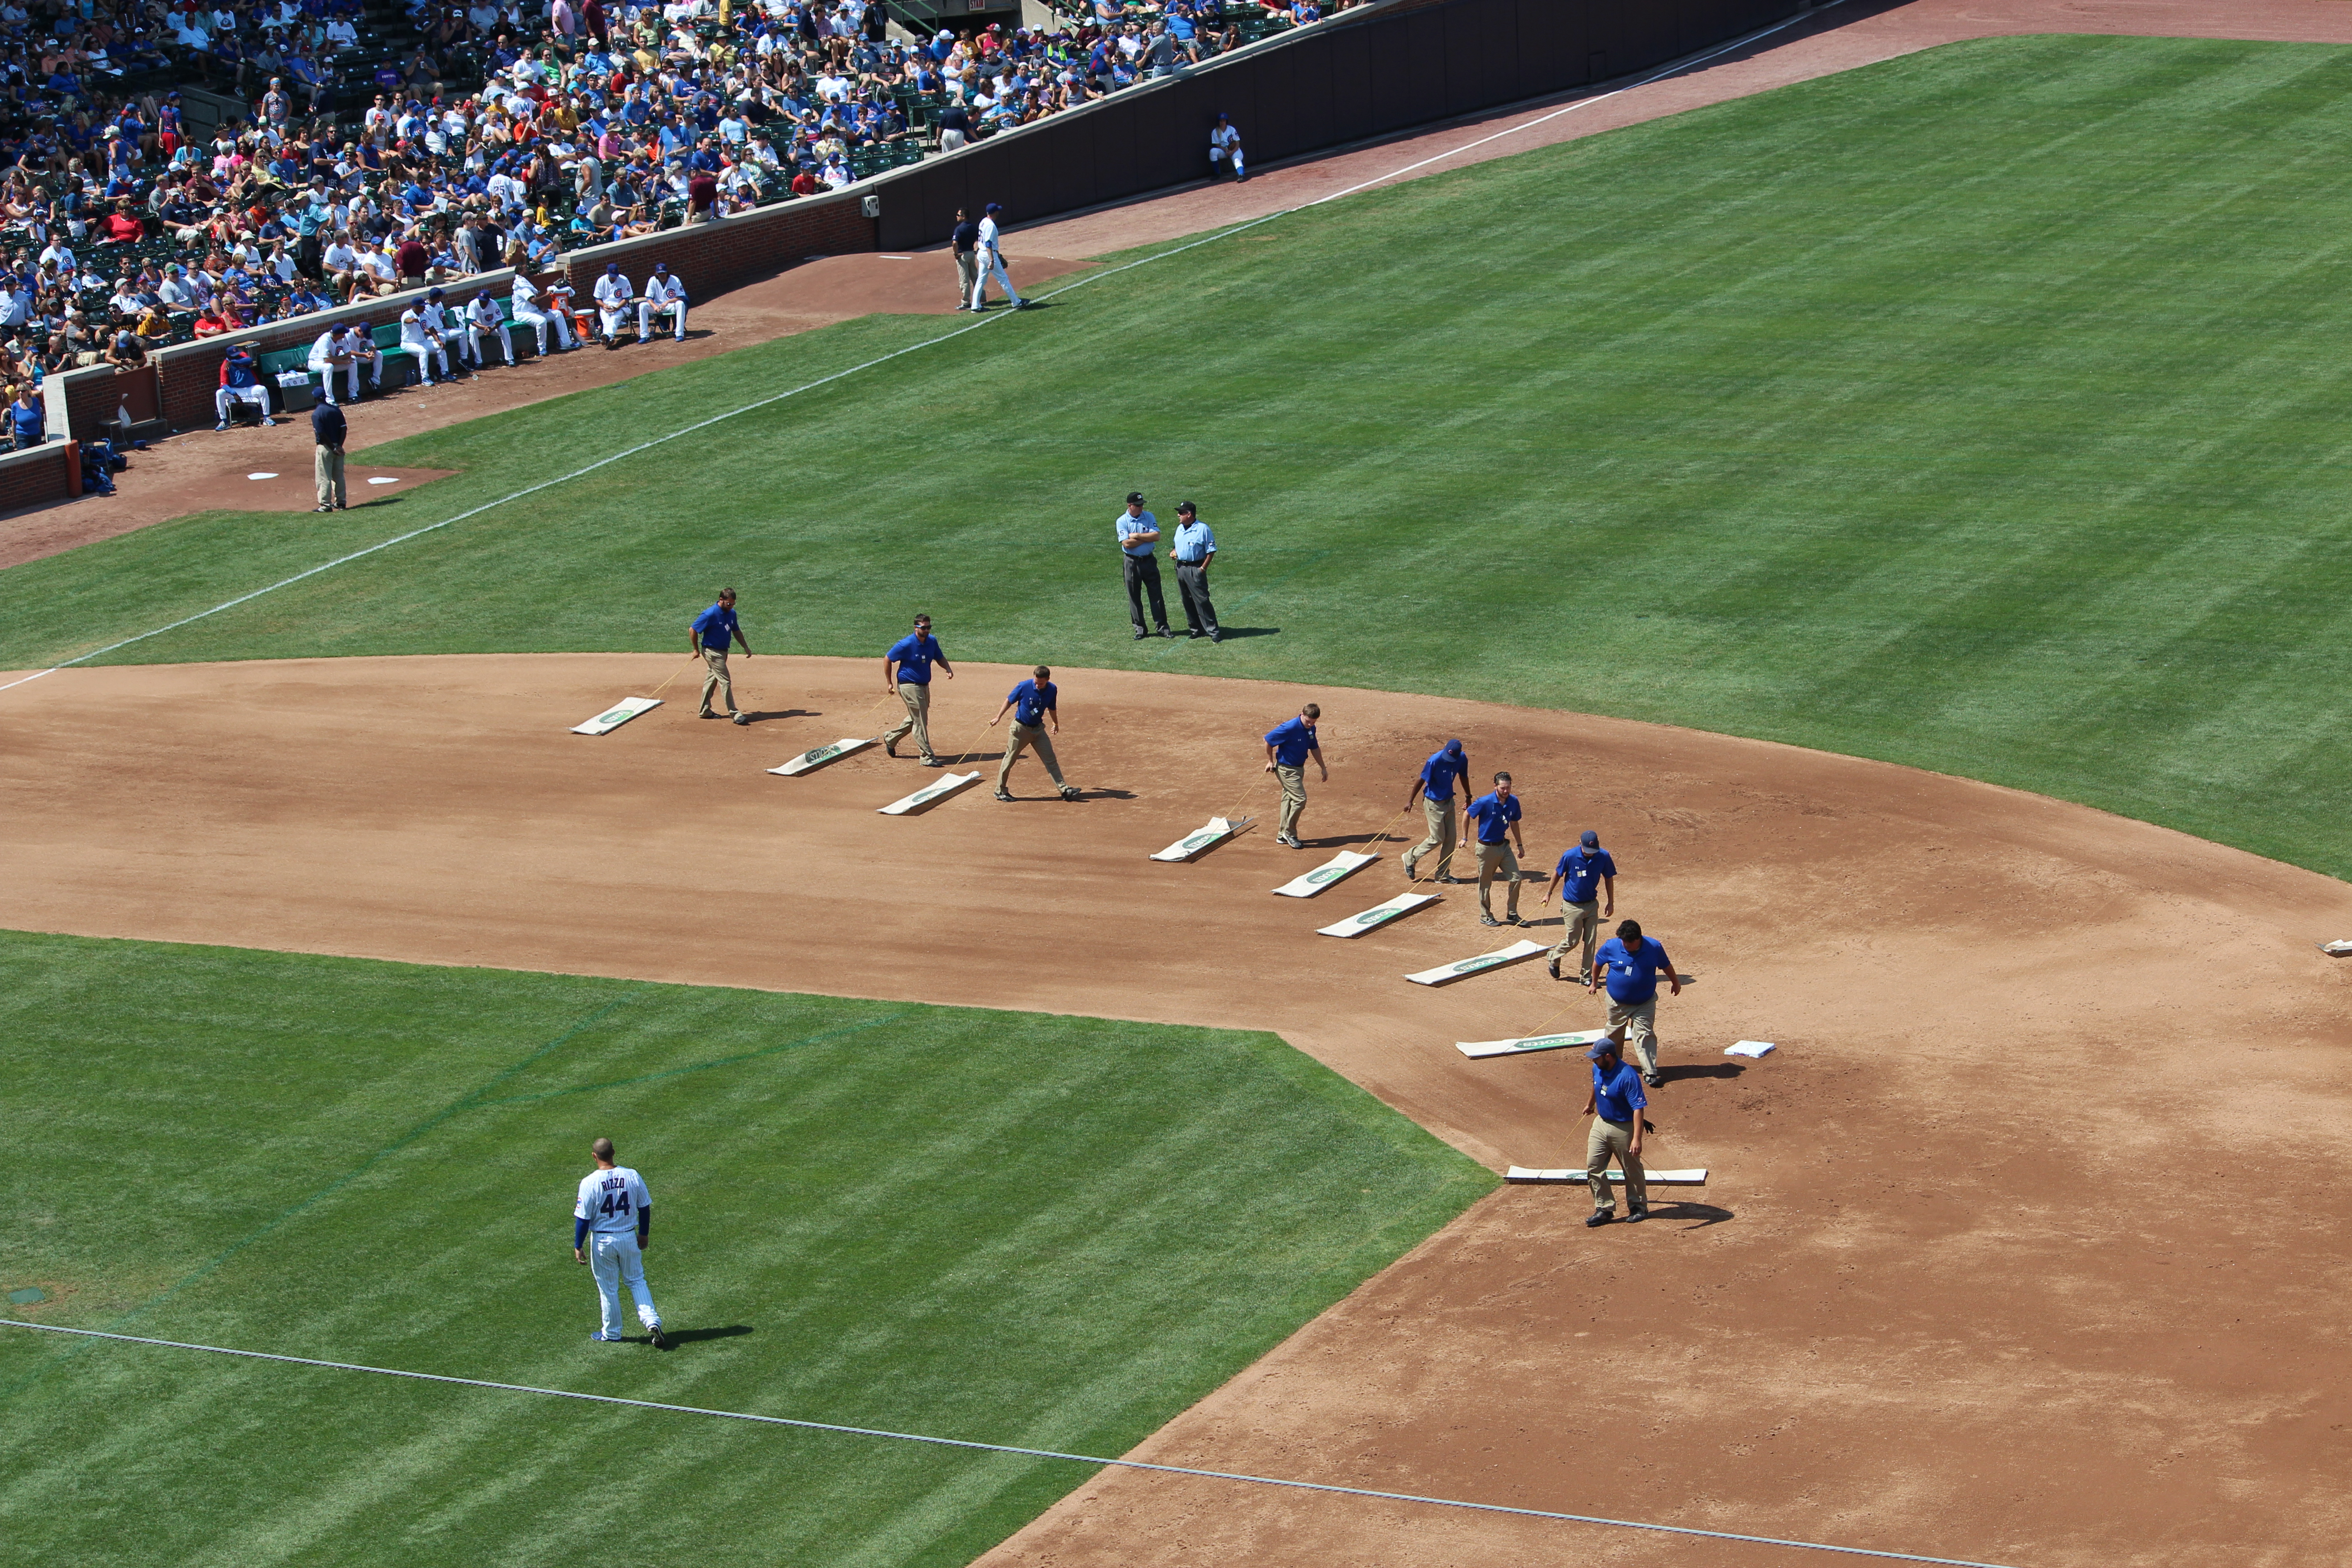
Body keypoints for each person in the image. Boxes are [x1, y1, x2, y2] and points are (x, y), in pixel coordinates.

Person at [572, 1136, 667, 1347]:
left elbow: (583, 1219)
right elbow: (644, 1206)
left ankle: (612, 1332)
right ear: (614, 1152)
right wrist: (643, 1233)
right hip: (628, 1236)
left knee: (608, 1288)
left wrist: (578, 1245)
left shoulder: (589, 1183)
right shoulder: (631, 1175)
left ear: (594, 1156)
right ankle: (651, 1321)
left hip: (603, 1240)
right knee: (636, 1281)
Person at [1588, 918, 1678, 1088]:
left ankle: (1650, 1072)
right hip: (1617, 1002)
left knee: (1644, 1033)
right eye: (1623, 941)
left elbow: (1666, 965)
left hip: (1645, 1002)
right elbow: (1598, 963)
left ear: (1638, 939)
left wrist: (1675, 982)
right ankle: (1611, 1066)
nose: (1625, 945)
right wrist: (1594, 983)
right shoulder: (1611, 946)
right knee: (1614, 1034)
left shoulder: (1654, 947)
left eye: (1629, 942)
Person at [1579, 1036, 1647, 1227]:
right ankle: (1604, 1208)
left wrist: (1636, 1138)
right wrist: (1590, 1104)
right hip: (1601, 1123)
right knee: (1594, 1166)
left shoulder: (1628, 1076)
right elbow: (1596, 1084)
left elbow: (1638, 1108)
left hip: (1624, 1128)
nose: (1593, 1061)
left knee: (1632, 1170)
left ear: (1608, 1057)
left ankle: (1638, 1207)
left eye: (1597, 1057)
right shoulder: (1598, 1067)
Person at [990, 663, 1081, 801]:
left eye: (1041, 683)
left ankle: (1064, 790)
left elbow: (1052, 707)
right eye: (1036, 683)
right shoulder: (1024, 686)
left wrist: (1056, 723)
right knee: (1009, 760)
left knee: (1051, 759)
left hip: (1038, 730)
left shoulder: (1052, 689)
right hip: (1020, 730)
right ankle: (1000, 791)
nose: (1038, 686)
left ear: (1048, 679)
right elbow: (1009, 700)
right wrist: (998, 717)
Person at [1543, 830, 1617, 983]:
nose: (1590, 854)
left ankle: (1586, 976)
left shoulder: (1603, 856)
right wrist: (1548, 893)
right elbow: (1558, 874)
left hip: (1591, 905)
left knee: (1590, 942)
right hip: (1572, 906)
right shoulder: (1569, 856)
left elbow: (1609, 878)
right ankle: (1554, 957)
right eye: (1587, 851)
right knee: (1572, 941)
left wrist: (1611, 902)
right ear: (1580, 844)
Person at [881, 612, 953, 765]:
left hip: (924, 686)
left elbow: (939, 657)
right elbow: (888, 659)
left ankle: (891, 738)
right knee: (921, 721)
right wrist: (890, 682)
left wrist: (947, 668)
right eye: (924, 628)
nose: (927, 631)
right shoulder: (906, 644)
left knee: (917, 717)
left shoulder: (932, 641)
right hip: (909, 685)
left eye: (929, 628)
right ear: (916, 628)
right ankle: (927, 757)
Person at [1400, 738, 1470, 883]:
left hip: (1449, 802)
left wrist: (1468, 796)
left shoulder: (1462, 758)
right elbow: (1421, 780)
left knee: (1451, 839)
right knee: (1437, 838)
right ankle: (1410, 857)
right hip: (1433, 804)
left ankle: (1443, 875)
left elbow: (1463, 776)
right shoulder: (1435, 761)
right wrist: (1410, 801)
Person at [1464, 771, 1525, 927]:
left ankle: (1512, 914)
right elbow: (1467, 814)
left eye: (1508, 788)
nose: (1506, 791)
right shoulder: (1484, 802)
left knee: (1517, 878)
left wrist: (1520, 845)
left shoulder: (1513, 801)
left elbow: (1514, 823)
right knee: (1485, 884)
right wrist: (1464, 837)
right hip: (1486, 849)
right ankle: (1486, 916)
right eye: (1503, 788)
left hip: (1504, 847)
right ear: (1495, 786)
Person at [1262, 702, 1324, 849]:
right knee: (1300, 799)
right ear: (1302, 715)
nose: (1310, 724)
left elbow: (1314, 747)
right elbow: (1268, 740)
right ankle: (1290, 834)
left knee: (1289, 800)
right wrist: (1270, 761)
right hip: (1286, 770)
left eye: (1313, 722)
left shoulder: (1311, 729)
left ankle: (1282, 835)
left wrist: (1323, 767)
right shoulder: (1289, 727)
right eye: (1308, 721)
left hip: (1299, 769)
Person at [690, 587, 753, 725]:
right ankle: (735, 714)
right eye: (728, 604)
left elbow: (736, 630)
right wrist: (696, 650)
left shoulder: (732, 613)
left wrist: (745, 646)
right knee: (725, 681)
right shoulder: (710, 614)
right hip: (712, 652)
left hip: (723, 652)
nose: (731, 607)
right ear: (721, 600)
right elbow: (693, 629)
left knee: (711, 680)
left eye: (733, 604)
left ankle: (704, 711)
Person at [1116, 491, 1171, 640]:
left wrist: (1137, 536)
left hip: (1149, 561)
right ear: (1130, 506)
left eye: (1142, 505)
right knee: (1134, 597)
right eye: (1138, 505)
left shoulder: (1149, 516)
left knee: (1156, 595)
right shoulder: (1122, 521)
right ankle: (1140, 629)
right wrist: (1147, 538)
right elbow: (1127, 543)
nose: (1141, 508)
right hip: (1132, 563)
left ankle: (1163, 628)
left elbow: (1157, 536)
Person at [1168, 500, 1220, 641]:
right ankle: (1196, 629)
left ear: (1189, 514)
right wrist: (1174, 552)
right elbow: (1177, 546)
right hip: (1181, 568)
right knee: (1187, 600)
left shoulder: (1203, 529)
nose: (1178, 515)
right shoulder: (1180, 528)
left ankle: (1214, 632)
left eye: (1181, 513)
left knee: (1202, 601)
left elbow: (1211, 551)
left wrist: (1203, 569)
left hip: (1195, 568)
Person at [968, 201, 1025, 312]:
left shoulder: (983, 221)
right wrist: (992, 260)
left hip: (981, 253)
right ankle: (1016, 302)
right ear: (995, 213)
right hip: (987, 253)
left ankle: (975, 306)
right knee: (1003, 279)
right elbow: (989, 243)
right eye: (997, 211)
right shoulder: (991, 225)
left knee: (981, 280)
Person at [513, 268, 575, 353]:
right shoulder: (521, 287)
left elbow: (531, 302)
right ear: (521, 272)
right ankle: (542, 348)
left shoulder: (525, 283)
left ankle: (565, 343)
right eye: (526, 269)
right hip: (523, 314)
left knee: (558, 314)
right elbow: (533, 301)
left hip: (534, 311)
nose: (528, 270)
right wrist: (547, 295)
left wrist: (541, 306)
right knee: (542, 321)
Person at [214, 341, 273, 429]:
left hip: (250, 388)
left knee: (263, 389)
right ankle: (224, 422)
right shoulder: (225, 366)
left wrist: (234, 362)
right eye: (234, 356)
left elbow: (249, 360)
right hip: (236, 390)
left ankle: (267, 417)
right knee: (219, 393)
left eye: (237, 354)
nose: (237, 356)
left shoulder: (241, 356)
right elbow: (224, 385)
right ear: (229, 356)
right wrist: (234, 394)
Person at [397, 300, 451, 385]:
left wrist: (438, 341)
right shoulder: (407, 314)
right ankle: (425, 378)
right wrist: (413, 320)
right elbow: (407, 321)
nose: (424, 308)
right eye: (422, 306)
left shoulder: (424, 315)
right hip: (408, 344)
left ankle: (444, 373)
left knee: (441, 347)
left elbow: (432, 329)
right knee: (424, 351)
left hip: (422, 342)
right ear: (415, 307)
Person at [311, 394, 347, 513]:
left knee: (324, 477)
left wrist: (333, 448)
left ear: (315, 398)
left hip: (326, 448)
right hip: (338, 446)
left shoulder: (317, 414)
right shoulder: (336, 410)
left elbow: (321, 434)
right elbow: (344, 429)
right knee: (338, 477)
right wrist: (339, 446)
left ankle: (326, 505)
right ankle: (341, 502)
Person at [464, 288, 514, 366]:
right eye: (480, 300)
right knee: (473, 331)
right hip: (479, 328)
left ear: (488, 300)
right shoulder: (473, 304)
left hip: (492, 326)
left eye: (484, 301)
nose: (482, 302)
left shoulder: (493, 304)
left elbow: (500, 321)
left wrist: (492, 329)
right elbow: (472, 322)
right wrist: (485, 328)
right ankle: (478, 361)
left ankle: (509, 358)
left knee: (504, 329)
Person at [593, 261, 636, 347]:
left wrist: (617, 308)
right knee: (606, 322)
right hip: (605, 307)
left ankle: (607, 336)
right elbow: (597, 299)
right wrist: (604, 306)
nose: (614, 278)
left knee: (614, 320)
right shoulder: (601, 281)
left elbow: (626, 299)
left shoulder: (624, 280)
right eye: (612, 276)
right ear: (607, 273)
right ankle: (610, 338)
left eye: (615, 276)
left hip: (621, 307)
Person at [643, 262, 687, 342]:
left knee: (681, 304)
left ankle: (680, 334)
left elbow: (682, 297)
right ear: (657, 274)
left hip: (671, 305)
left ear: (667, 272)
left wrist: (667, 302)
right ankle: (644, 336)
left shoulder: (675, 280)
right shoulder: (653, 280)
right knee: (643, 306)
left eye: (664, 273)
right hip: (658, 306)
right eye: (660, 274)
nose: (662, 275)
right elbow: (649, 297)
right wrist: (654, 306)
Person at [949, 207, 979, 310]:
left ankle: (966, 302)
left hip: (963, 255)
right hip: (971, 253)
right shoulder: (974, 228)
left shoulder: (959, 229)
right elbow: (981, 240)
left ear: (964, 216)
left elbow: (955, 243)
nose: (957, 217)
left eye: (958, 215)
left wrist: (956, 253)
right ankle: (982, 297)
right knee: (975, 277)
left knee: (964, 280)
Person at [1207, 113, 1246, 181]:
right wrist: (1225, 149)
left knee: (1237, 160)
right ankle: (1217, 174)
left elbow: (1237, 144)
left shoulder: (1232, 129)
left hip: (1235, 150)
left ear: (1226, 121)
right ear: (1218, 122)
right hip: (1224, 151)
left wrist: (1232, 152)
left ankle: (1241, 175)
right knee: (1213, 152)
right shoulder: (1215, 132)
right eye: (1221, 121)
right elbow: (1217, 145)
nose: (1222, 122)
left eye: (1224, 121)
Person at [8, 385, 43, 449]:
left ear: (28, 391)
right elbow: (14, 423)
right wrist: (14, 439)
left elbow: (39, 416)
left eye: (23, 391)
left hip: (36, 434)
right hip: (22, 437)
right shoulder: (15, 406)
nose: (21, 393)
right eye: (18, 391)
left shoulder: (35, 401)